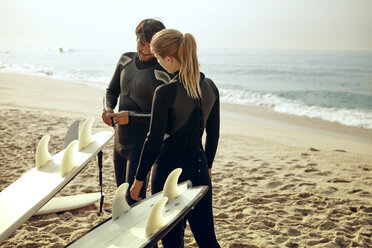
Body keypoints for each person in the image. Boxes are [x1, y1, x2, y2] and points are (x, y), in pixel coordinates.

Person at [130, 29, 220, 248]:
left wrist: (138, 179)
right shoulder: (210, 87)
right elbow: (214, 133)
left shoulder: (165, 92)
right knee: (207, 239)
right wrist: (208, 165)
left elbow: (153, 140)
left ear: (169, 58)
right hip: (199, 169)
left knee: (171, 241)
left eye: (159, 59)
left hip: (168, 172)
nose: (160, 64)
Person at [102, 19, 171, 205]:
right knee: (120, 195)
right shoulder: (125, 60)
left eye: (151, 46)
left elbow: (166, 118)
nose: (145, 50)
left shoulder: (163, 72)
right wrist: (107, 108)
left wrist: (130, 117)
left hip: (141, 146)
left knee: (133, 199)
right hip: (120, 141)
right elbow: (111, 91)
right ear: (136, 39)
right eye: (141, 43)